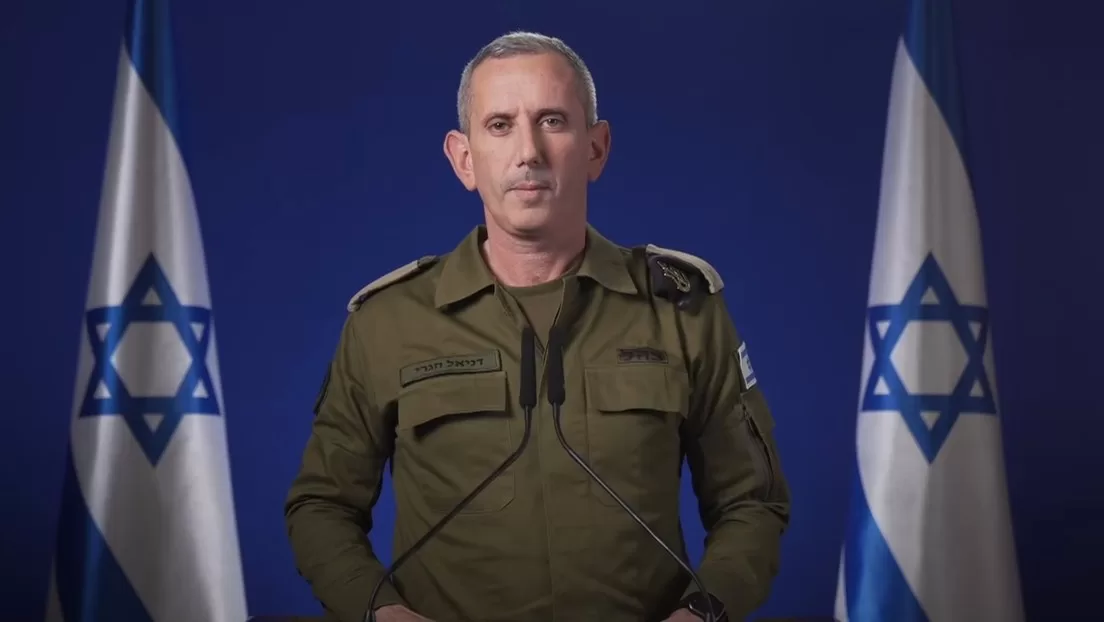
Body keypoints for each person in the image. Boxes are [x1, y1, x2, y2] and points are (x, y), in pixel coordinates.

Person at [284, 31, 791, 622]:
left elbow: (753, 503)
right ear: (464, 158)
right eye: (500, 125)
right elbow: (322, 506)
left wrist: (703, 613)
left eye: (552, 121)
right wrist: (380, 612)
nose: (528, 151)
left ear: (596, 148)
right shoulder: (388, 321)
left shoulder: (682, 310)